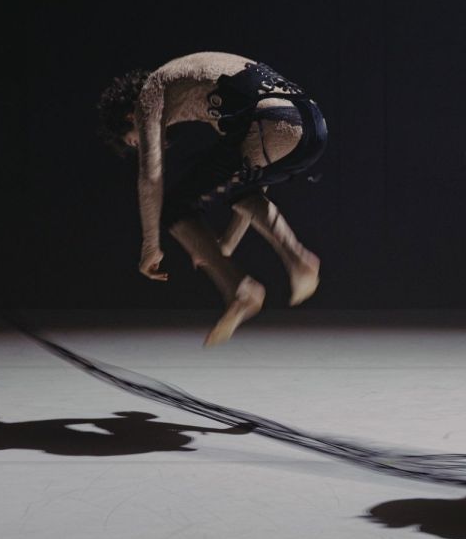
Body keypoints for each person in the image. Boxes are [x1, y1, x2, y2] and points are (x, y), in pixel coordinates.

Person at [97, 52, 326, 346]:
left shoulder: (150, 93)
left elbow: (151, 175)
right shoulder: (209, 94)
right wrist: (227, 245)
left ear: (131, 117)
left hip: (273, 124)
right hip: (312, 126)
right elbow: (250, 181)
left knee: (172, 207)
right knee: (242, 186)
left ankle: (240, 290)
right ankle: (298, 261)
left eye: (134, 140)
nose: (142, 141)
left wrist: (151, 245)